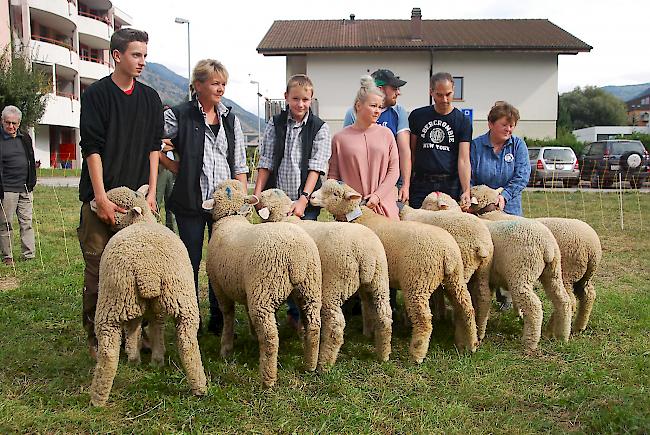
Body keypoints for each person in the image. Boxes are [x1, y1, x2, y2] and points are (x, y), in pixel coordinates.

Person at [78, 28, 163, 359]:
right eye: (136, 55)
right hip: (102, 200)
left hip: (138, 205)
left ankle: (136, 337)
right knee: (99, 273)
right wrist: (100, 198)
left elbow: (153, 149)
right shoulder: (97, 95)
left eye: (144, 55)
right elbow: (92, 148)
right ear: (117, 55)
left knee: (139, 273)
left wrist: (152, 192)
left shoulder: (151, 99)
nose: (142, 61)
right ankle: (98, 338)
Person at [160, 59, 249, 335]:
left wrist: (242, 200)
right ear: (198, 85)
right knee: (191, 260)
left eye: (223, 83)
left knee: (220, 262)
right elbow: (152, 141)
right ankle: (189, 318)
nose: (220, 88)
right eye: (214, 83)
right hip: (191, 202)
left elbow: (240, 164)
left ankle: (219, 319)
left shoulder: (230, 119)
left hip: (224, 205)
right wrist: (176, 166)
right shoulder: (180, 115)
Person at [253, 74, 331, 328]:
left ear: (311, 100)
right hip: (277, 201)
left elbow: (316, 166)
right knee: (276, 258)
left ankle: (301, 314)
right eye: (295, 99)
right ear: (286, 98)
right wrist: (258, 194)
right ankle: (277, 309)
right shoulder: (275, 124)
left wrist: (303, 199)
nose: (300, 104)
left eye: (305, 100)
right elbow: (266, 160)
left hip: (303, 202)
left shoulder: (320, 128)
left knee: (302, 259)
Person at [329, 75, 400, 219]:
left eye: (380, 107)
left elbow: (394, 171)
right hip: (351, 212)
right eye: (373, 106)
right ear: (358, 105)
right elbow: (333, 177)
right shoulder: (340, 138)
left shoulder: (387, 135)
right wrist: (340, 205)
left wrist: (377, 196)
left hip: (384, 209)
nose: (377, 111)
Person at [343, 69, 411, 202]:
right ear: (381, 89)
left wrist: (405, 185)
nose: (398, 93)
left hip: (390, 183)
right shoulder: (353, 112)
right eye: (395, 88)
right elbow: (346, 152)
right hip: (360, 183)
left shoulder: (399, 112)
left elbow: (404, 151)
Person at [408, 72, 472, 208]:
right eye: (439, 95)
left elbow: (464, 159)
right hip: (421, 183)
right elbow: (411, 152)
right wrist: (406, 183)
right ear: (431, 92)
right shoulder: (417, 116)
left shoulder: (463, 121)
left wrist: (466, 190)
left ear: (454, 91)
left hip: (449, 184)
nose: (444, 99)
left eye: (448, 94)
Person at [470, 101, 531, 216]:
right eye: (504, 125)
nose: (508, 129)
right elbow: (468, 177)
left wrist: (504, 196)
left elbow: (522, 176)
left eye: (511, 126)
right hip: (481, 210)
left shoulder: (518, 145)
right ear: (491, 124)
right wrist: (473, 197)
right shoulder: (475, 146)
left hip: (511, 210)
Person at [0, 105, 37, 265]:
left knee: (26, 222)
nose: (11, 126)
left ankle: (29, 255)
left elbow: (31, 160)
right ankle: (7, 256)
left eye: (14, 123)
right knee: (5, 224)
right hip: (7, 189)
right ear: (2, 121)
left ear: (19, 123)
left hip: (25, 188)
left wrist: (32, 182)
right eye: (7, 122)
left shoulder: (25, 138)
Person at [156, 138, 176, 231]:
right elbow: (156, 144)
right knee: (156, 203)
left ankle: (172, 233)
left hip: (174, 167)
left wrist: (165, 143)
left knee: (173, 206)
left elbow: (179, 143)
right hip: (159, 168)